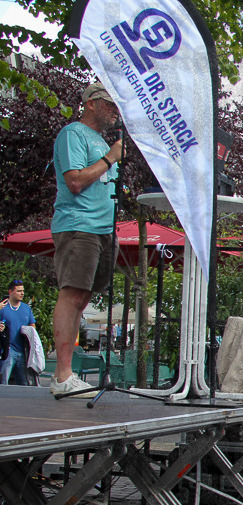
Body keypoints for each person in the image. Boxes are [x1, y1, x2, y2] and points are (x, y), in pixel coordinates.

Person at [49, 82, 123, 398]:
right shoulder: (73, 134)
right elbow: (75, 181)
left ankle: (66, 375)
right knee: (73, 294)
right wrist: (109, 159)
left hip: (103, 229)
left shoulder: (100, 140)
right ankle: (63, 374)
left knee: (83, 298)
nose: (115, 112)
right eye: (109, 104)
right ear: (91, 103)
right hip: (79, 225)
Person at [1, 280, 36, 385]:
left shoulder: (26, 308)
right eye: (19, 291)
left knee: (24, 382)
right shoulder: (2, 308)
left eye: (23, 291)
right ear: (10, 292)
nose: (22, 293)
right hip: (8, 350)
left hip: (23, 351)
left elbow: (32, 325)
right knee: (3, 380)